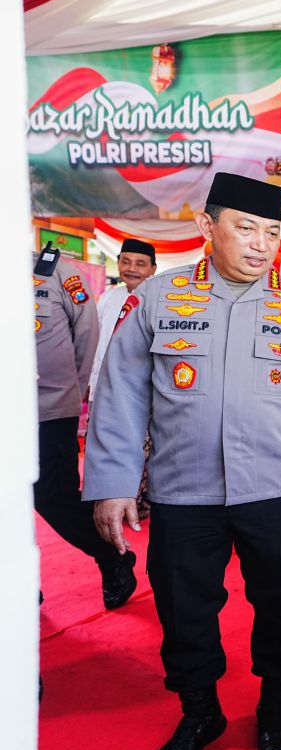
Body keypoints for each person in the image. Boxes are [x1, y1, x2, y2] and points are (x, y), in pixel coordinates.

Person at [84, 172, 281, 750]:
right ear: (208, 226)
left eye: (273, 232)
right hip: (183, 492)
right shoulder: (158, 300)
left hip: (273, 491)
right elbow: (120, 395)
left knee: (280, 603)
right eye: (246, 228)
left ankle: (276, 708)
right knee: (183, 610)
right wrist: (113, 481)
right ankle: (199, 713)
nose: (261, 244)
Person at [34, 248, 137, 609]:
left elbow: (87, 336)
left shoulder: (58, 273)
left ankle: (111, 555)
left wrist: (67, 391)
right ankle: (18, 582)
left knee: (53, 496)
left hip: (46, 410)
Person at [89, 238, 157, 399]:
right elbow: (96, 341)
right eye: (125, 262)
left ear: (153, 269)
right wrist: (90, 380)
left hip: (137, 390)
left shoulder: (158, 300)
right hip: (100, 384)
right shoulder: (108, 296)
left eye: (140, 264)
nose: (131, 269)